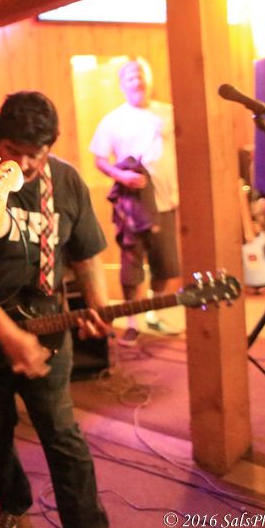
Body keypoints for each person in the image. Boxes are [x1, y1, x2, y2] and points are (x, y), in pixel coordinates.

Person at [0, 91, 111, 528]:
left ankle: (87, 526)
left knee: (62, 433)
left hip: (47, 328)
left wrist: (99, 308)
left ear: (50, 147)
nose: (24, 164)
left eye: (36, 154)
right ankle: (13, 506)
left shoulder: (66, 181)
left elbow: (87, 254)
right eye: (13, 151)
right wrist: (3, 329)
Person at [89, 57, 180, 345]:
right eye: (130, 77)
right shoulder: (113, 120)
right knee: (132, 263)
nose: (137, 81)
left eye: (141, 75)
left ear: (150, 80)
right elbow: (100, 159)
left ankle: (153, 311)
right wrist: (122, 176)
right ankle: (132, 321)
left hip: (166, 201)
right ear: (122, 85)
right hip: (134, 204)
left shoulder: (169, 113)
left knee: (165, 263)